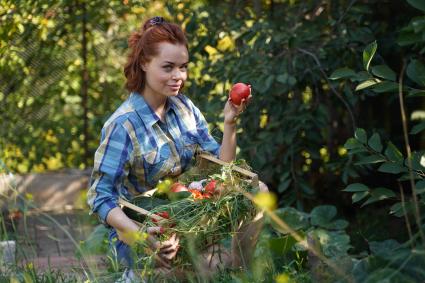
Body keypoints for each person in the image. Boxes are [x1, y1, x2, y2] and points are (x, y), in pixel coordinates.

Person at [87, 16, 265, 281]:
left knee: (256, 191)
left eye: (183, 67)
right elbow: (100, 198)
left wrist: (230, 123)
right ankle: (137, 273)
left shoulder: (183, 108)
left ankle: (241, 272)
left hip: (183, 214)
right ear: (145, 63)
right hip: (144, 227)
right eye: (168, 67)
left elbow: (222, 166)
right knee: (191, 273)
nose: (178, 76)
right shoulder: (123, 125)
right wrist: (140, 235)